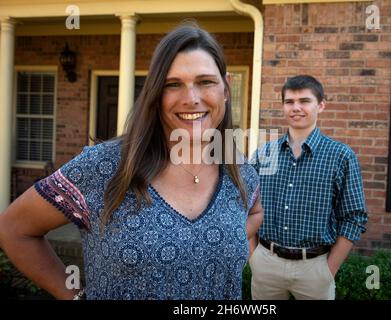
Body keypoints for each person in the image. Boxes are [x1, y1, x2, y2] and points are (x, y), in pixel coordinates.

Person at [0, 23, 263, 300]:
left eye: (205, 82)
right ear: (155, 95)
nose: (191, 98)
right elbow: (14, 229)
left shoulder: (241, 173)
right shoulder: (104, 167)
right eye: (172, 84)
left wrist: (217, 242)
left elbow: (255, 212)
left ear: (226, 87)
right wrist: (75, 297)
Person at [249, 75, 368, 300]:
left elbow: (354, 217)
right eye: (289, 102)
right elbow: (246, 206)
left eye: (304, 101)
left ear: (321, 105)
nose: (296, 108)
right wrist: (253, 256)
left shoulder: (341, 156)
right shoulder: (264, 154)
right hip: (266, 263)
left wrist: (328, 270)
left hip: (315, 268)